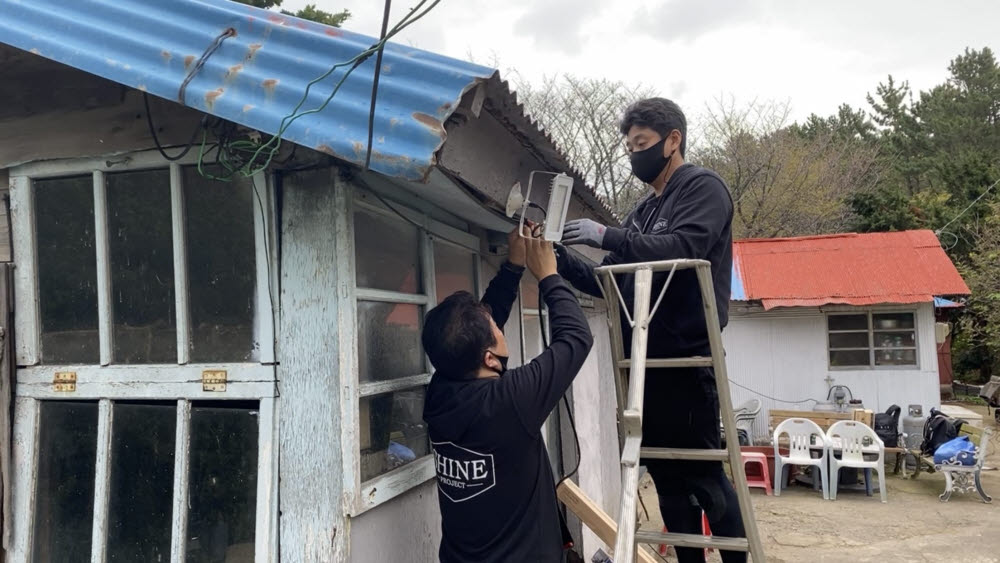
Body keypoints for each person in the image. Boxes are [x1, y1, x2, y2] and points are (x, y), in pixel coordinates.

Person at [557, 97, 746, 563]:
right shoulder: (642, 212)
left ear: (672, 140)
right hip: (645, 363)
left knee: (704, 478)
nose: (634, 154)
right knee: (665, 478)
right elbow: (612, 283)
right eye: (630, 146)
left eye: (641, 144)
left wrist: (606, 235)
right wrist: (556, 258)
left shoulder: (702, 188)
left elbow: (685, 245)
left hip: (688, 358)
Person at [422, 228, 594, 563]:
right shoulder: (509, 401)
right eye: (498, 330)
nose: (501, 328)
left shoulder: (440, 391)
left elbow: (474, 331)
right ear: (489, 358)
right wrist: (548, 276)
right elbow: (576, 338)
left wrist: (514, 265)